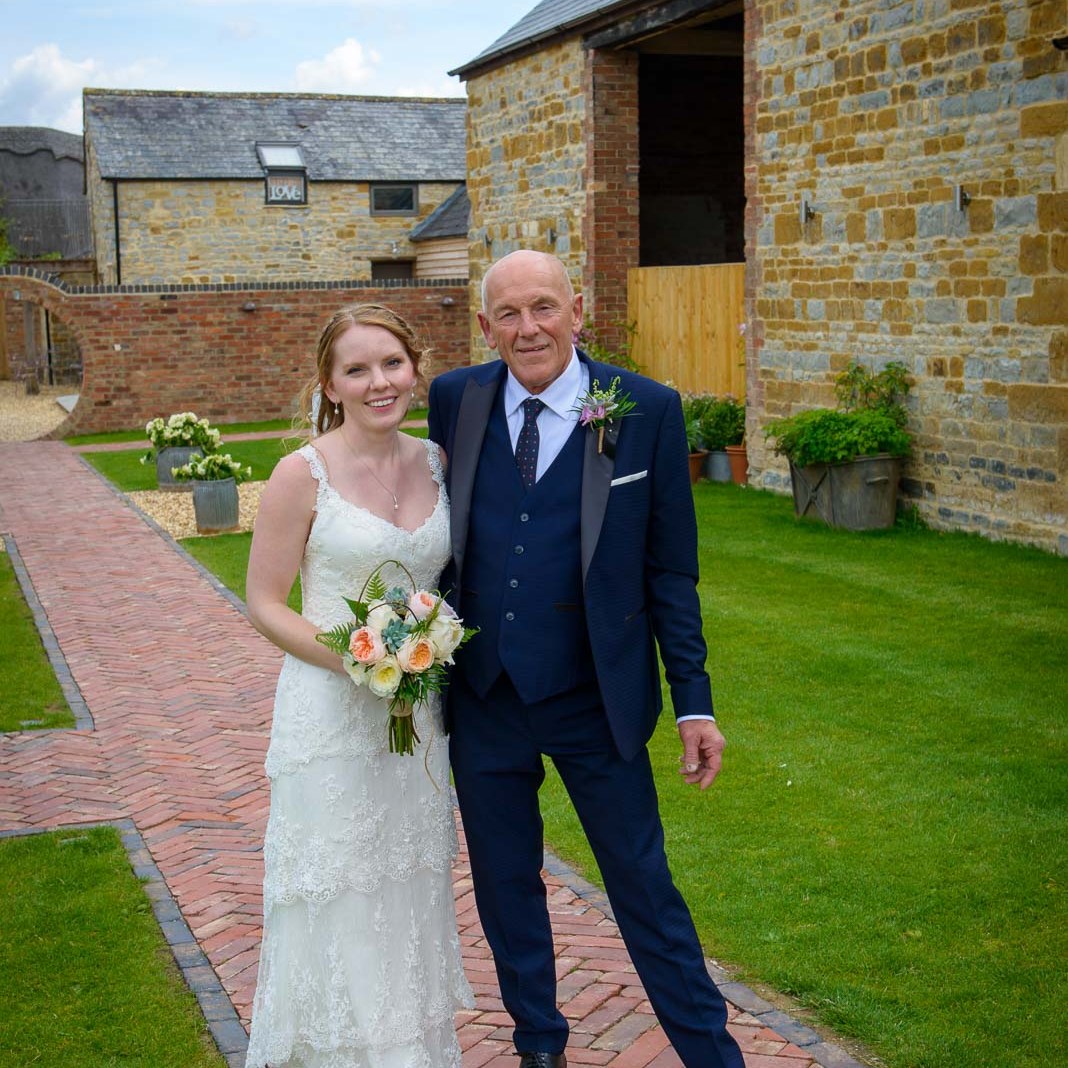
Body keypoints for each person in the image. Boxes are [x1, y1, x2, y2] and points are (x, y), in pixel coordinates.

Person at [427, 250, 745, 1068]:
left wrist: (695, 704)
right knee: (504, 887)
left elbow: (671, 573)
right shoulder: (454, 400)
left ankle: (711, 1054)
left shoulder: (646, 408)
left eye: (543, 308)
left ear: (577, 310)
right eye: (508, 313)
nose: (528, 328)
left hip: (594, 696)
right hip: (484, 696)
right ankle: (540, 1045)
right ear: (484, 324)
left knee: (643, 888)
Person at [244, 304, 472, 1068]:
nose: (379, 382)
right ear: (329, 384)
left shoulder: (439, 461)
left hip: (416, 719)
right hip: (331, 717)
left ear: (415, 367)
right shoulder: (299, 473)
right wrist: (357, 661)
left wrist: (418, 656)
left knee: (406, 886)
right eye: (357, 369)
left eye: (391, 364)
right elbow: (266, 603)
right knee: (338, 891)